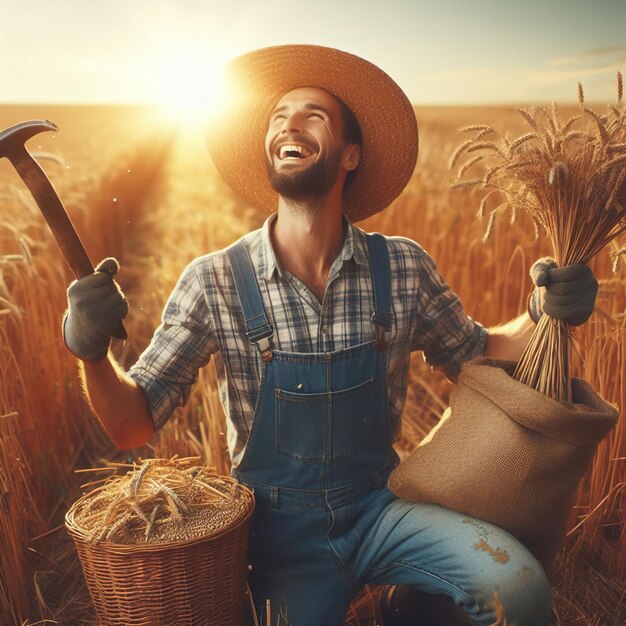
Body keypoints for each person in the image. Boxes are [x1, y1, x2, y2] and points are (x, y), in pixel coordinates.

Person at [63, 45, 597, 626]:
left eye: (312, 114)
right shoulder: (214, 281)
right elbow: (131, 423)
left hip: (380, 509)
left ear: (350, 155)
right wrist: (90, 353)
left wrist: (542, 308)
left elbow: (477, 351)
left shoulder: (401, 267)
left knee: (517, 587)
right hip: (278, 538)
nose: (289, 123)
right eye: (278, 115)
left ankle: (411, 606)